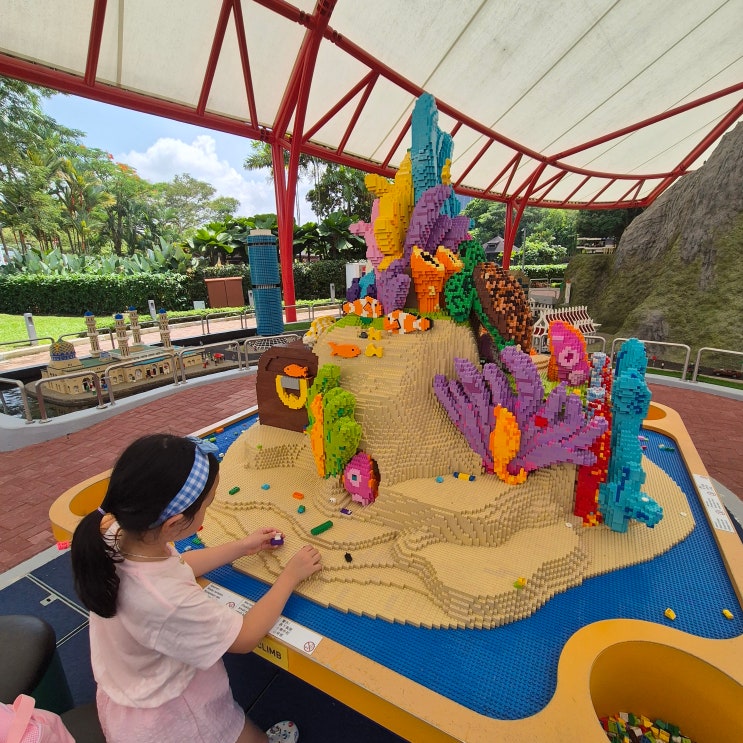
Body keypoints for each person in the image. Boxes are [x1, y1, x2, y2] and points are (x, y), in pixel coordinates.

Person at [71, 433, 322, 743]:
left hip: (131, 692)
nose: (208, 511)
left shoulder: (117, 532)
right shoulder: (166, 600)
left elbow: (180, 564)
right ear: (174, 524)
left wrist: (242, 546)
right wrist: (290, 576)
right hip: (175, 716)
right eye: (208, 504)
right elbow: (244, 637)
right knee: (231, 734)